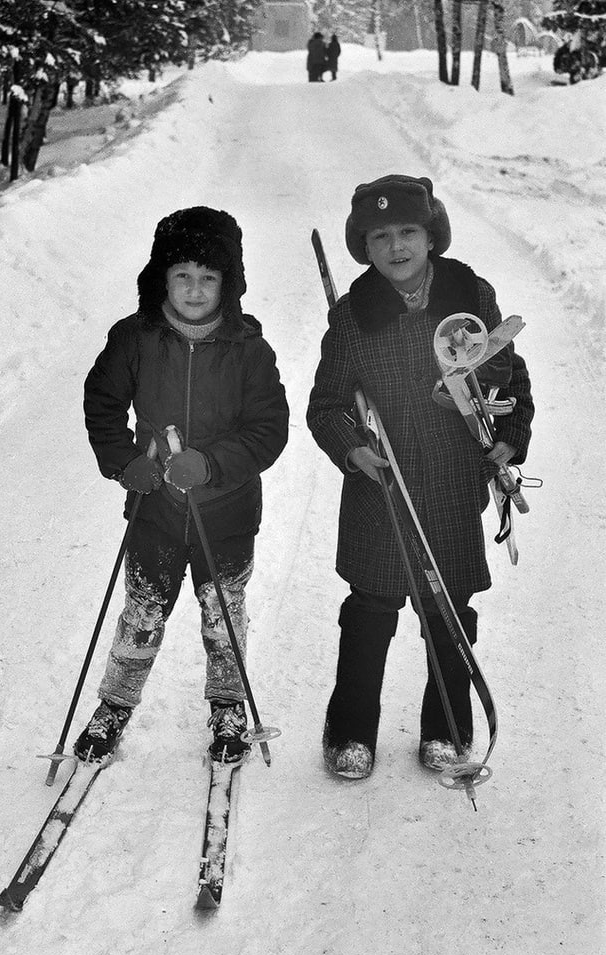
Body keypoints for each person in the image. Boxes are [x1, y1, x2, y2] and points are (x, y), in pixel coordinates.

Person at [307, 174, 534, 780]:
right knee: (371, 609)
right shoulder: (353, 316)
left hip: (451, 485)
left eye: (408, 231)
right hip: (378, 488)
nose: (396, 246)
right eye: (379, 236)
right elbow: (325, 405)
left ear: (431, 236)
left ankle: (448, 727)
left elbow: (511, 378)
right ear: (365, 246)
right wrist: (353, 450)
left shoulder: (470, 294)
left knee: (448, 609)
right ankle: (350, 729)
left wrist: (512, 438)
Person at [76, 206, 289, 764]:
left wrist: (213, 463)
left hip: (228, 512)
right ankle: (114, 705)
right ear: (161, 278)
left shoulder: (248, 348)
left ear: (229, 282)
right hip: (156, 510)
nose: (195, 290)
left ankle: (228, 705)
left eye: (209, 277)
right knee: (143, 609)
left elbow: (269, 428)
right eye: (182, 275)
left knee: (223, 612)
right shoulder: (135, 339)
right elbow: (101, 404)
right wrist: (125, 462)